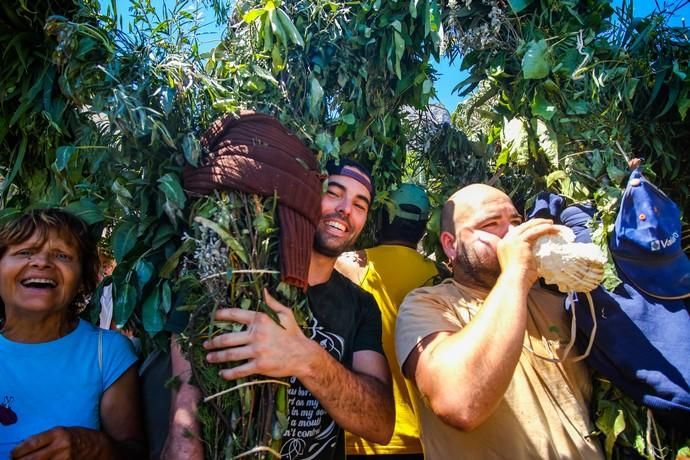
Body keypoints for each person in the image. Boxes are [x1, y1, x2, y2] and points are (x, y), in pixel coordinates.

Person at [164, 151, 394, 459]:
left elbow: (380, 424)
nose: (344, 210)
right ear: (308, 194)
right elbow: (184, 394)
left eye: (359, 205)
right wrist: (184, 440)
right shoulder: (235, 276)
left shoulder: (361, 306)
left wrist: (307, 358)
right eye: (333, 193)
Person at [395, 184, 604, 460]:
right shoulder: (428, 305)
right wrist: (516, 271)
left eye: (516, 222)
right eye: (491, 224)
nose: (513, 234)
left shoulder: (555, 301)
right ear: (451, 244)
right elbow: (459, 404)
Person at [0, 208, 145, 459]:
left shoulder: (107, 353)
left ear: (82, 280)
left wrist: (96, 446)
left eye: (62, 255)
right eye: (24, 252)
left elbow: (135, 453)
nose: (42, 262)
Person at [336, 183, 443, 459]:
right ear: (422, 229)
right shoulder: (440, 278)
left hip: (361, 435)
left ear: (382, 218)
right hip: (424, 439)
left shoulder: (351, 265)